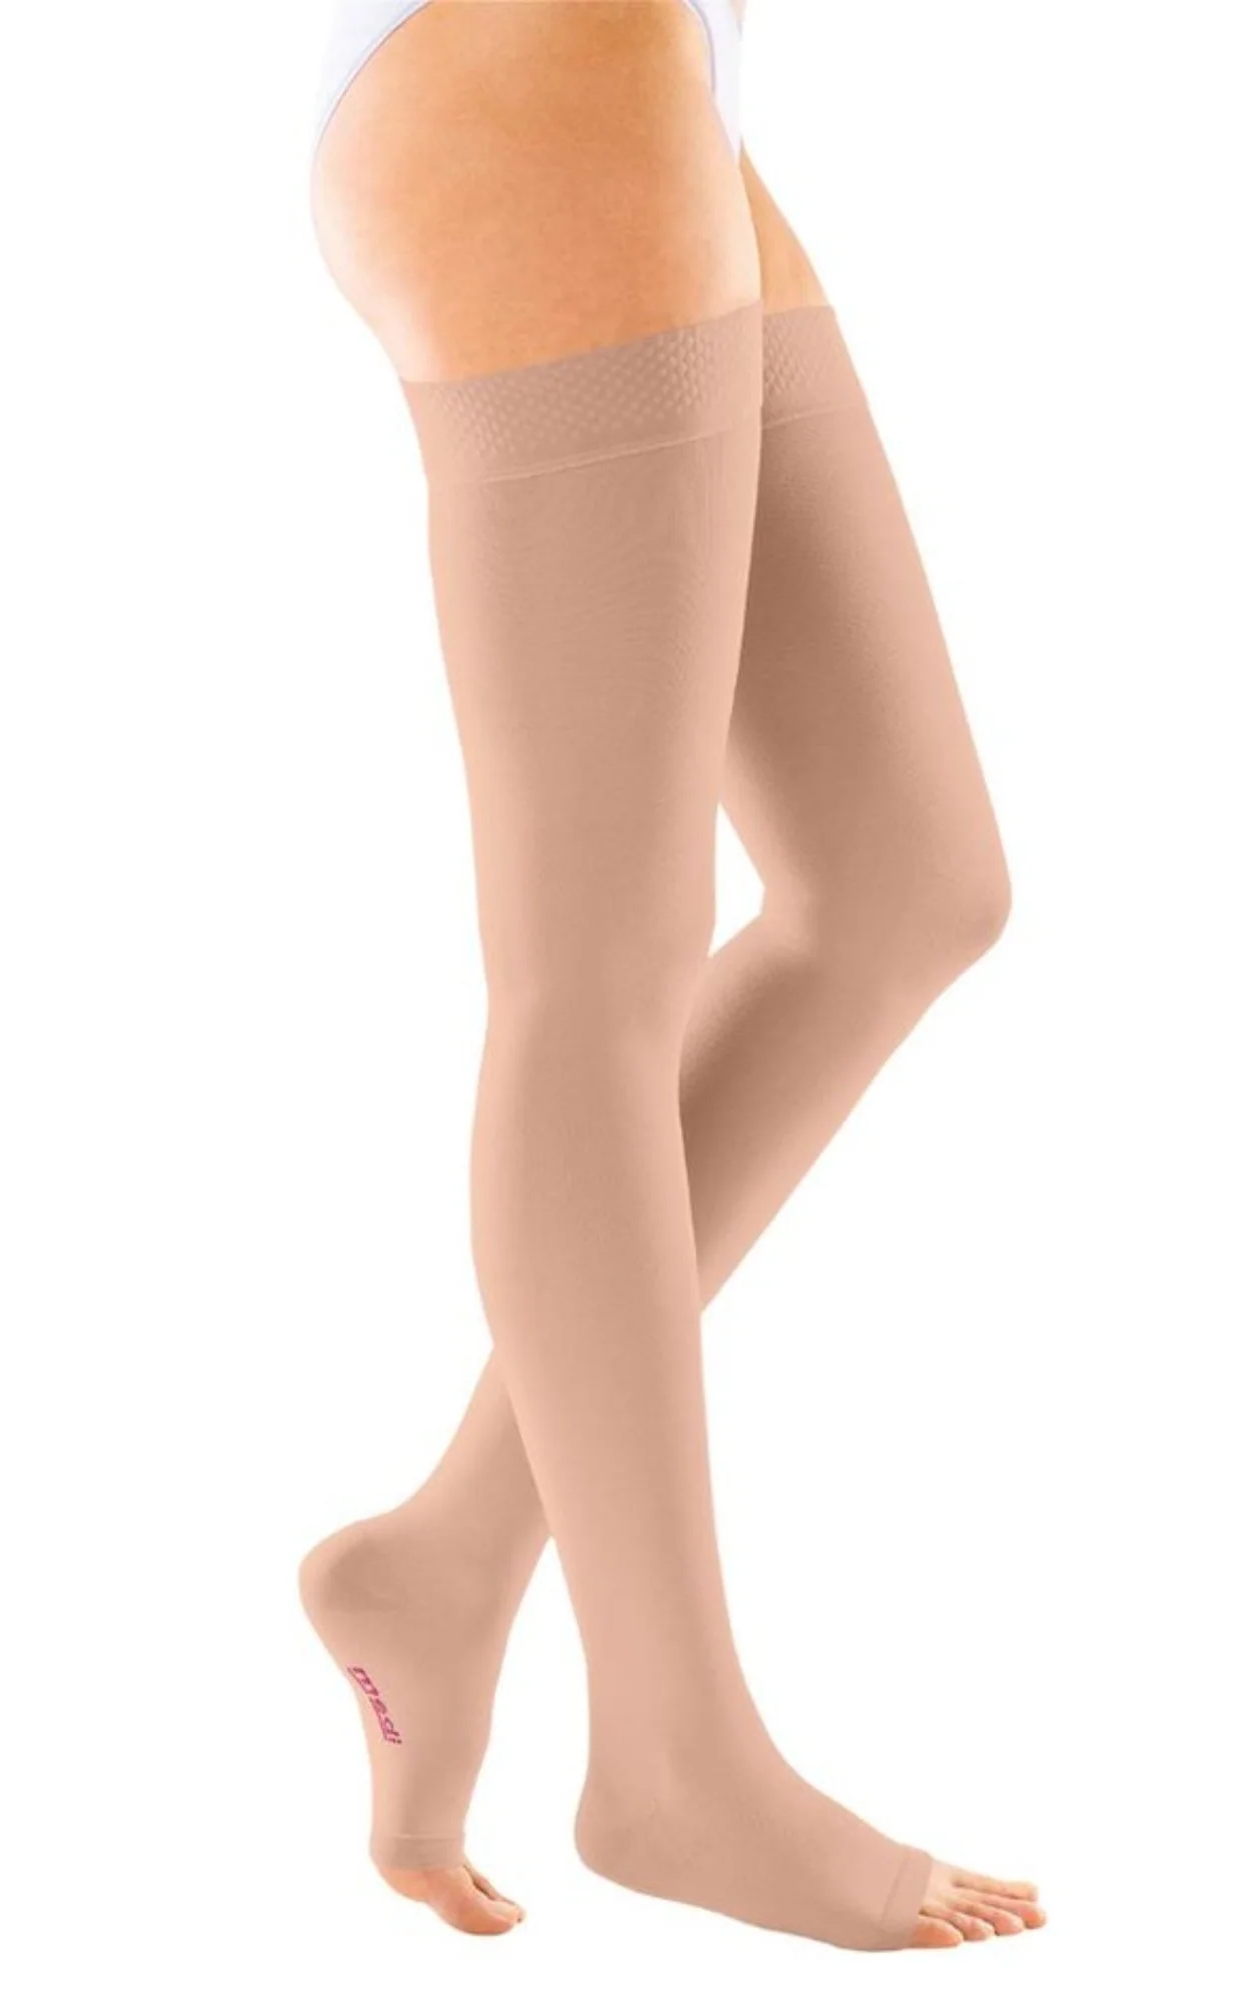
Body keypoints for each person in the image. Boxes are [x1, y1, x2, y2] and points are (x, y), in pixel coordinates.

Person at [297, 0, 1042, 1951]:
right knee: (590, 959)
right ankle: (670, 1751)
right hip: (534, 58)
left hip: (650, 61)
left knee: (903, 877)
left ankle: (445, 1560)